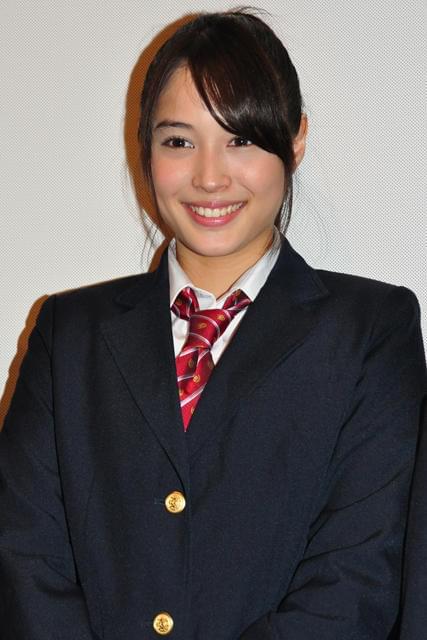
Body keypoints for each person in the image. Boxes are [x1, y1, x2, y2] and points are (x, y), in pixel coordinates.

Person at [0, 8, 426, 640]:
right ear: (145, 148)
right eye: (179, 141)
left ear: (295, 140)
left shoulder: (371, 330)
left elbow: (358, 576)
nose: (208, 177)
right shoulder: (68, 334)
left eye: (240, 139)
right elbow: (24, 560)